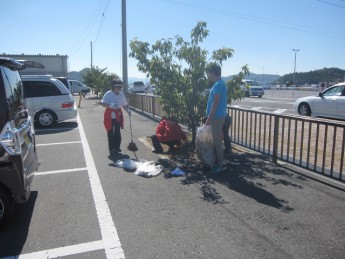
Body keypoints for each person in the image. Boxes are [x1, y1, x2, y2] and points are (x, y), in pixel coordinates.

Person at [205, 63, 228, 174]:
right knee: (216, 140)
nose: (208, 76)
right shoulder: (218, 84)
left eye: (209, 73)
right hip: (217, 116)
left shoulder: (218, 85)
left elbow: (216, 103)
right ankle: (218, 162)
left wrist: (209, 118)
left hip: (217, 117)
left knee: (217, 141)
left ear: (213, 73)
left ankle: (220, 165)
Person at [101, 79, 131, 153]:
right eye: (117, 87)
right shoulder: (108, 94)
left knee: (117, 132)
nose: (118, 88)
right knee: (110, 132)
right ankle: (111, 148)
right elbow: (103, 104)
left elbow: (125, 105)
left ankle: (117, 147)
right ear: (113, 87)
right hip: (109, 116)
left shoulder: (121, 95)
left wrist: (128, 110)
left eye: (120, 87)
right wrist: (109, 105)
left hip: (118, 116)